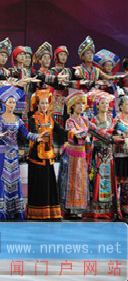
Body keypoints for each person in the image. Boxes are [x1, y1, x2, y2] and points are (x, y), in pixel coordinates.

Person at [0, 86, 39, 221]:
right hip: (2, 153)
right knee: (2, 179)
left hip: (13, 153)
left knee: (14, 180)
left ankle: (14, 211)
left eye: (14, 102)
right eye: (10, 102)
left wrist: (37, 137)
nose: (12, 104)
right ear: (4, 103)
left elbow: (26, 134)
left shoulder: (18, 120)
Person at [26, 89, 67, 221]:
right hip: (36, 156)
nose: (44, 106)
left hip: (48, 156)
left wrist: (73, 133)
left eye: (46, 103)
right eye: (42, 103)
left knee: (49, 185)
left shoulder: (50, 118)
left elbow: (60, 131)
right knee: (39, 184)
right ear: (37, 104)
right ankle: (37, 213)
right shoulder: (33, 118)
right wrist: (39, 136)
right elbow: (32, 132)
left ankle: (51, 213)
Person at [60, 91, 91, 219]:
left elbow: (95, 130)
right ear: (72, 106)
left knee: (80, 182)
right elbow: (73, 133)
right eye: (78, 104)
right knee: (71, 182)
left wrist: (109, 136)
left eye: (83, 104)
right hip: (71, 156)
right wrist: (85, 134)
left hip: (81, 156)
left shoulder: (85, 120)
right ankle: (69, 210)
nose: (81, 106)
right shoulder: (70, 121)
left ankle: (78, 209)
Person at [86, 90, 117, 218]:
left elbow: (119, 133)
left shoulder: (113, 121)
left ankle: (109, 209)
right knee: (97, 180)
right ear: (97, 106)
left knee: (110, 180)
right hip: (98, 155)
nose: (105, 105)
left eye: (107, 103)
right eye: (102, 103)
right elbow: (89, 136)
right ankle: (97, 210)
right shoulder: (93, 121)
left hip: (109, 155)